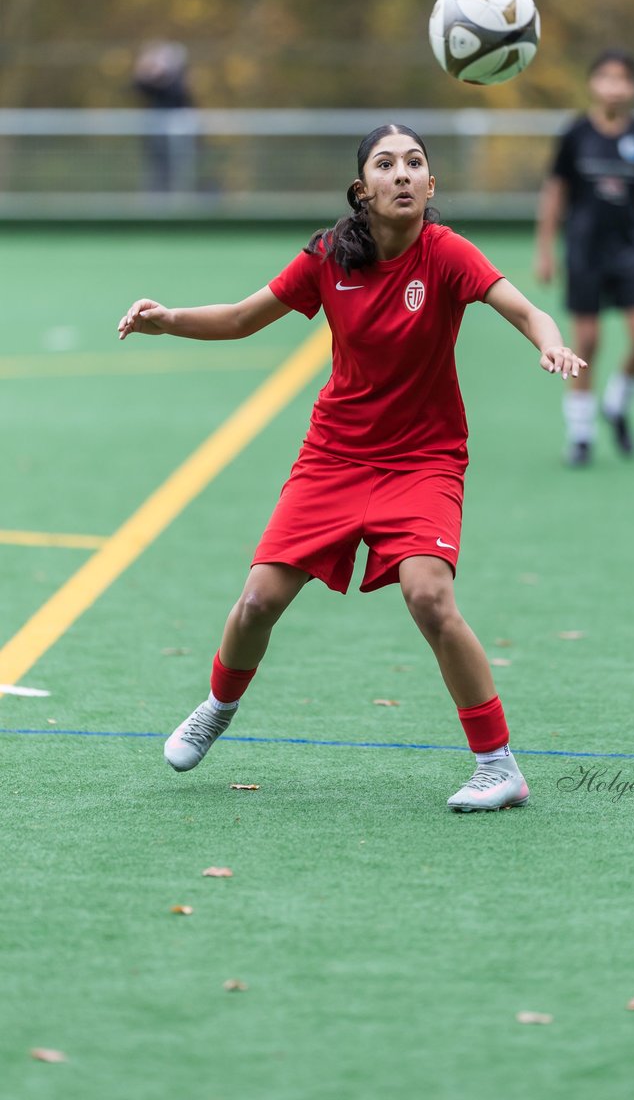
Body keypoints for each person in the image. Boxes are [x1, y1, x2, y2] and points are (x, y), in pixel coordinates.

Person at [118, 123, 585, 812]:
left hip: (423, 459)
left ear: (432, 186)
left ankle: (498, 766)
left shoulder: (446, 253)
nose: (403, 174)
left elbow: (524, 307)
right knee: (257, 602)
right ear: (362, 189)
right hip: (334, 456)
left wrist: (551, 344)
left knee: (429, 596)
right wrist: (170, 319)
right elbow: (247, 316)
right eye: (387, 164)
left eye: (416, 163)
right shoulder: (330, 254)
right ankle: (217, 708)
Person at [534, 49, 634, 467]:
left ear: (632, 87)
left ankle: (617, 403)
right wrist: (545, 249)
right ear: (593, 84)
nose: (614, 85)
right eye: (606, 77)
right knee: (587, 342)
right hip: (584, 250)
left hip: (629, 252)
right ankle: (580, 433)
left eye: (623, 78)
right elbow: (555, 193)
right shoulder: (575, 134)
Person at [131, 41, 196, 194]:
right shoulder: (154, 81)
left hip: (178, 134)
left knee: (180, 169)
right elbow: (138, 87)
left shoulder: (179, 78)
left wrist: (163, 74)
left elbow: (177, 93)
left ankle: (180, 199)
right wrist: (146, 70)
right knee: (158, 170)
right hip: (158, 133)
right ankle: (157, 201)